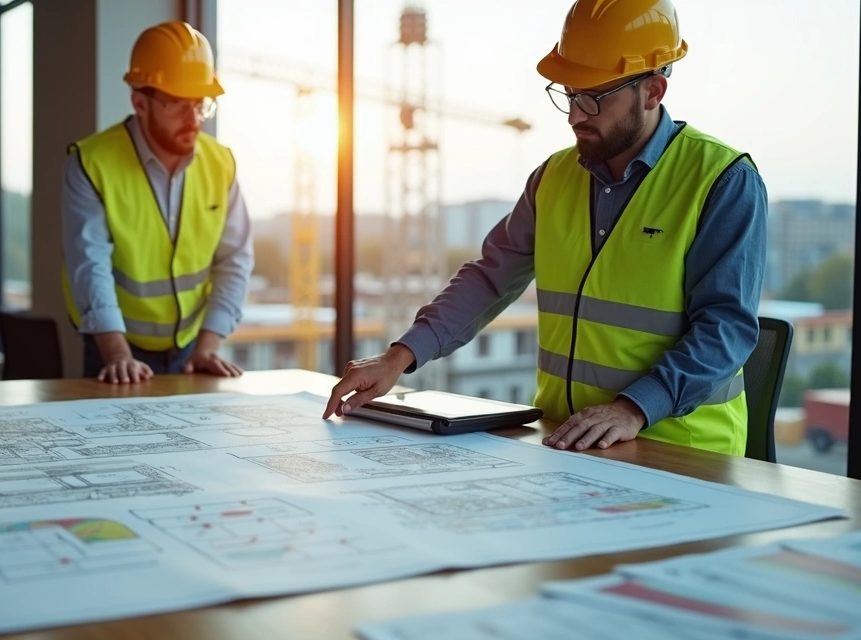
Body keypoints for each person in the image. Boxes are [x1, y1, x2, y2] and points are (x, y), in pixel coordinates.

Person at [323, 0, 767, 456]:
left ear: (653, 91)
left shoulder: (721, 181)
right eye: (569, 94)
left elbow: (725, 328)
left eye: (593, 98)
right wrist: (400, 356)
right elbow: (489, 278)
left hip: (683, 452)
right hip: (566, 443)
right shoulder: (553, 178)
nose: (575, 115)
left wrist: (634, 408)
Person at [61, 21, 254, 384]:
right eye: (178, 106)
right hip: (115, 344)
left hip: (194, 345)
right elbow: (90, 265)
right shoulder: (91, 162)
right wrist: (118, 355)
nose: (194, 120)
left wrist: (209, 345)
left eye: (201, 105)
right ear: (140, 103)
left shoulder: (221, 163)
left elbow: (235, 261)